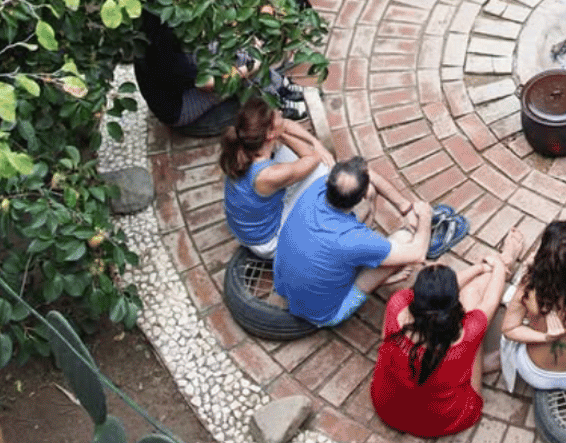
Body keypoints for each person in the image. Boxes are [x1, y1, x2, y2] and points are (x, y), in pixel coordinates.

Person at [369, 229, 528, 438]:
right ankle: (507, 259)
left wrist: (479, 268)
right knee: (471, 298)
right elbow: (491, 299)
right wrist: (500, 264)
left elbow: (441, 294)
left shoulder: (397, 303)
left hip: (387, 407)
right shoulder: (466, 332)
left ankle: (471, 366)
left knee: (471, 314)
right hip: (445, 420)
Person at [273, 157, 431, 327]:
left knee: (339, 251)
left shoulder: (317, 187)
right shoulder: (354, 240)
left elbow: (366, 174)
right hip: (322, 314)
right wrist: (425, 216)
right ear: (361, 196)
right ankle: (372, 278)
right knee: (405, 239)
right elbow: (418, 253)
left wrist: (405, 207)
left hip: (282, 285)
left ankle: (363, 261)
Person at [497, 220, 566, 393]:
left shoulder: (528, 288)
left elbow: (509, 329)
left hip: (534, 374)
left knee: (518, 316)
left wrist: (545, 337)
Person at [219, 98, 334, 257]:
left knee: (288, 153)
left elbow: (286, 124)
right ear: (269, 134)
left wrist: (314, 142)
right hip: (268, 242)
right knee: (323, 170)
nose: (280, 113)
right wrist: (283, 136)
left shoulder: (245, 146)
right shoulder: (268, 175)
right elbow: (314, 158)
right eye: (276, 115)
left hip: (248, 226)